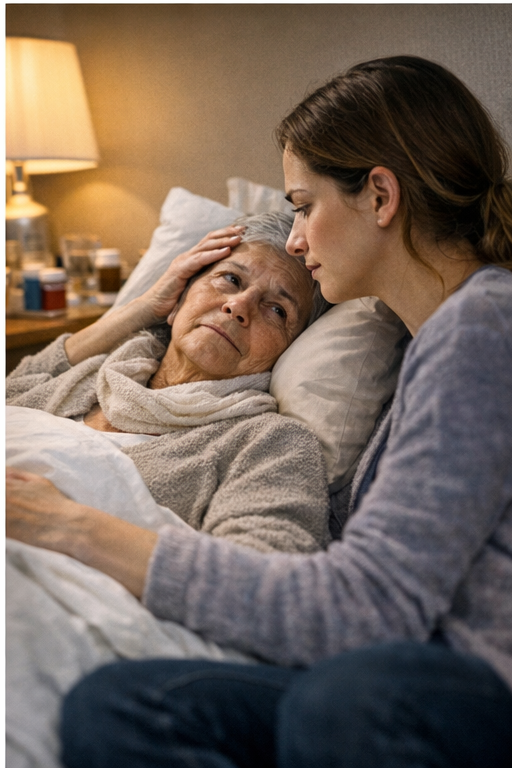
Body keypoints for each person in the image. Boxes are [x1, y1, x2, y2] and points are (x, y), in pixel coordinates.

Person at [7, 54, 512, 767]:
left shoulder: (482, 327)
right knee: (119, 704)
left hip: (447, 689)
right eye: (227, 280)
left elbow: (364, 606)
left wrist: (74, 525)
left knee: (336, 699)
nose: (298, 240)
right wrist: (131, 315)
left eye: (303, 206)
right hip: (388, 670)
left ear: (379, 196)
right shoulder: (431, 348)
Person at [7, 211, 332, 556]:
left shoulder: (268, 443)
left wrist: (63, 523)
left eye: (278, 310)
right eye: (231, 280)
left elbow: (263, 578)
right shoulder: (94, 373)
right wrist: (146, 305)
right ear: (178, 303)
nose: (238, 306)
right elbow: (12, 388)